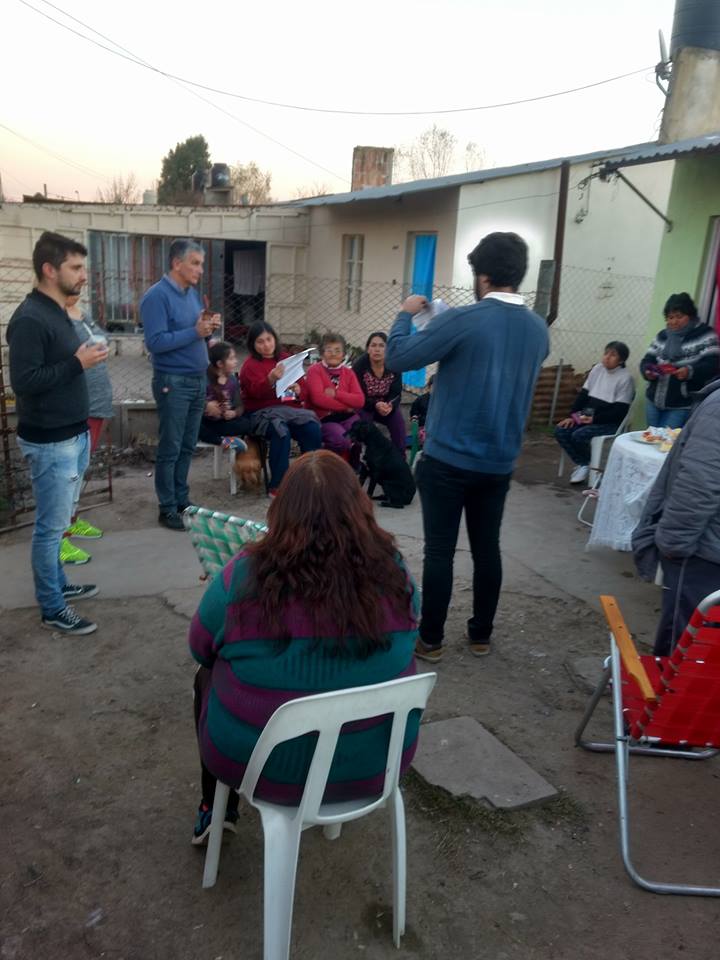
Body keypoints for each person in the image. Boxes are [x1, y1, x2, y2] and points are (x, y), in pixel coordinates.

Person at [187, 450, 420, 843]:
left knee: (205, 675)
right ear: (360, 507)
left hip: (257, 769)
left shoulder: (242, 575)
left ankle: (216, 807)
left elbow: (200, 648)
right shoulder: (395, 572)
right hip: (375, 766)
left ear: (281, 511)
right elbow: (411, 633)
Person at [386, 231, 549, 663]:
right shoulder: (538, 330)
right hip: (498, 462)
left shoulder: (465, 320)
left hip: (447, 459)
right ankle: (480, 635)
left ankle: (432, 640)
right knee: (486, 548)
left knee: (440, 550)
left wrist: (405, 315)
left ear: (484, 275)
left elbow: (399, 358)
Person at [6, 231, 108, 635]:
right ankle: (52, 606)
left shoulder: (56, 311)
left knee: (60, 519)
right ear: (50, 270)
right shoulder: (30, 318)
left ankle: (61, 584)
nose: (83, 275)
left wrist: (79, 360)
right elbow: (24, 382)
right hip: (51, 442)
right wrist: (77, 364)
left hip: (72, 433)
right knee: (49, 529)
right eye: (76, 268)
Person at [633, 377, 720, 656]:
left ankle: (667, 698)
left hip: (702, 555)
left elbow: (700, 484)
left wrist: (672, 543)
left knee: (683, 651)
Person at [140, 238, 222, 531]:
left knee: (187, 445)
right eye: (195, 263)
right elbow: (156, 342)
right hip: (172, 381)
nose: (201, 269)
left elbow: (196, 332)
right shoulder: (156, 297)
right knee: (171, 446)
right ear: (177, 263)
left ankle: (181, 500)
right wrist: (194, 331)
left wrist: (208, 332)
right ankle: (167, 507)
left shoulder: (192, 294)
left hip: (197, 379)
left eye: (201, 263)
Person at [60, 294, 115, 565]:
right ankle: (60, 539)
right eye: (75, 269)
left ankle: (71, 519)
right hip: (80, 404)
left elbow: (103, 339)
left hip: (96, 402)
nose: (81, 278)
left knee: (79, 470)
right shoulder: (55, 318)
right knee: (67, 474)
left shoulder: (80, 314)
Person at [239, 320, 321, 493]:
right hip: (261, 414)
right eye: (260, 342)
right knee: (280, 431)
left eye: (269, 339)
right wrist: (270, 379)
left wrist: (299, 389)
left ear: (275, 339)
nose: (266, 345)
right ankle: (279, 485)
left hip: (290, 410)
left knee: (312, 428)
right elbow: (254, 394)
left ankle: (309, 478)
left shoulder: (285, 359)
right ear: (253, 345)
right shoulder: (250, 365)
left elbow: (303, 388)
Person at [554, 341, 635, 485]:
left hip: (609, 421)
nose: (607, 357)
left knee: (579, 435)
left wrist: (592, 419)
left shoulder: (625, 378)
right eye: (606, 353)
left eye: (613, 355)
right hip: (588, 414)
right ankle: (585, 463)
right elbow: (583, 396)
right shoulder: (597, 369)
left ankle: (591, 466)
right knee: (561, 430)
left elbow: (619, 412)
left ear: (621, 360)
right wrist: (572, 416)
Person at [640, 292, 719, 429]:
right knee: (651, 440)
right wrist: (647, 371)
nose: (674, 322)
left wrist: (689, 371)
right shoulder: (662, 335)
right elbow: (648, 359)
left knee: (666, 445)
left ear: (690, 315)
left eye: (679, 317)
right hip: (653, 400)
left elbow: (712, 364)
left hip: (681, 404)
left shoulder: (705, 335)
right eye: (670, 317)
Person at [306, 333, 365, 458]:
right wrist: (346, 406)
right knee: (341, 440)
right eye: (329, 350)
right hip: (324, 419)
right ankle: (329, 466)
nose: (333, 354)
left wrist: (336, 394)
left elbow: (359, 400)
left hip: (348, 417)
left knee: (360, 435)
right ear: (322, 353)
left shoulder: (348, 373)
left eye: (337, 350)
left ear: (343, 354)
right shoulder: (314, 370)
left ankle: (353, 469)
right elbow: (318, 399)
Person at [352, 331, 405, 452]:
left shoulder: (394, 365)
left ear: (387, 350)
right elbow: (357, 394)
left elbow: (396, 392)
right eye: (373, 345)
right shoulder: (359, 366)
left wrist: (390, 405)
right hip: (365, 405)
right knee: (361, 426)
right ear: (368, 349)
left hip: (386, 406)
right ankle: (355, 463)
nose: (377, 349)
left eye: (381, 346)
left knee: (399, 425)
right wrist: (375, 405)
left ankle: (400, 461)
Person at [198, 341, 251, 447]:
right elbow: (193, 401)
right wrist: (206, 406)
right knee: (194, 425)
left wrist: (234, 413)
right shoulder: (204, 379)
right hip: (206, 422)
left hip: (223, 423)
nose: (236, 361)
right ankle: (223, 442)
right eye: (231, 359)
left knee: (248, 423)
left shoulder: (232, 380)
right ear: (220, 364)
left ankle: (219, 438)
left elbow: (239, 406)